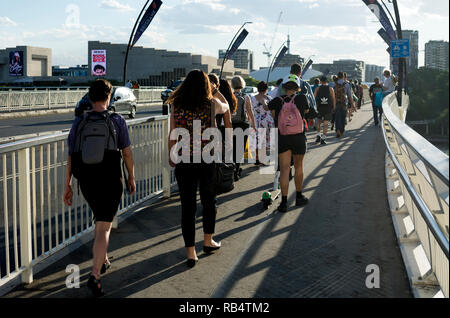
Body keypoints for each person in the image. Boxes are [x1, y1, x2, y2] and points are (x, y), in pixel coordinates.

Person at [64, 79, 136, 297]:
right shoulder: (117, 121)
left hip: (86, 180)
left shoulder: (79, 122)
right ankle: (95, 275)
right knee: (104, 226)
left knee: (99, 219)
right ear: (109, 96)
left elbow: (71, 155)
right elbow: (126, 153)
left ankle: (102, 259)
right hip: (110, 179)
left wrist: (66, 185)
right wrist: (131, 176)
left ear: (90, 96)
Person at [168, 70, 228, 268]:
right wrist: (216, 90)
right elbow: (228, 106)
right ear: (206, 85)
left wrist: (172, 156)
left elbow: (172, 134)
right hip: (206, 159)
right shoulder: (211, 104)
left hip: (184, 159)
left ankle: (191, 253)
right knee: (208, 202)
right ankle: (208, 241)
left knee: (188, 207)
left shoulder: (176, 105)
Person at [267, 74, 310, 213]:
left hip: (283, 137)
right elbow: (306, 112)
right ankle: (298, 197)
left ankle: (283, 202)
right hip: (298, 137)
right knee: (298, 166)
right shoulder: (302, 98)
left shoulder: (276, 101)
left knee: (284, 169)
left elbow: (272, 114)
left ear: (284, 87)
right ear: (297, 87)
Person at [231, 76, 256, 174]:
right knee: (240, 149)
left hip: (232, 124)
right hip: (243, 124)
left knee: (232, 148)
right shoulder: (246, 96)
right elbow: (250, 112)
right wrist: (253, 124)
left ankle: (232, 168)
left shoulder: (230, 96)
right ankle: (237, 169)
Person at [250, 81, 275, 165]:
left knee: (257, 139)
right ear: (266, 89)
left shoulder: (252, 98)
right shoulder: (269, 98)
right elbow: (272, 111)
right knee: (264, 139)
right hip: (267, 120)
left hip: (256, 120)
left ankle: (257, 158)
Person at [314, 76, 336, 145]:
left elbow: (313, 98)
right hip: (328, 108)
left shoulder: (317, 88)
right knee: (326, 124)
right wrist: (334, 107)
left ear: (320, 81)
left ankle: (318, 135)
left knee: (319, 122)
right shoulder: (330, 89)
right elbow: (333, 99)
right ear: (327, 82)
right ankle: (323, 138)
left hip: (320, 108)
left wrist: (315, 107)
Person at [334, 72, 355, 138]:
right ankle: (342, 131)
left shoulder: (334, 84)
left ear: (338, 76)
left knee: (337, 118)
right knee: (343, 117)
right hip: (344, 103)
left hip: (336, 103)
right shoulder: (347, 84)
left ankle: (337, 130)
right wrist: (352, 104)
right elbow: (349, 96)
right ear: (343, 77)